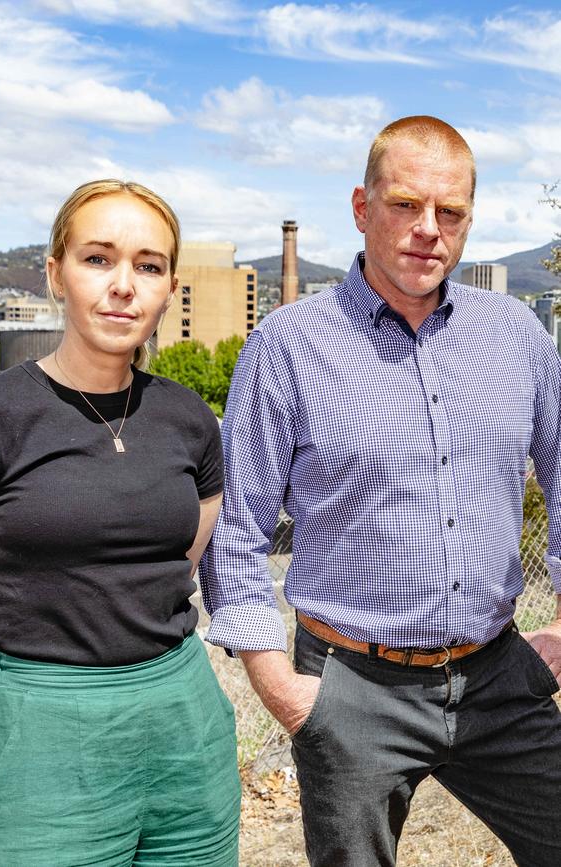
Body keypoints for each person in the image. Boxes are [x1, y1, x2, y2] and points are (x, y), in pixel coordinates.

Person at [200, 116, 561, 867]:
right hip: (348, 685)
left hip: (499, 674)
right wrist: (286, 690)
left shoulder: (518, 336)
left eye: (451, 212)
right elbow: (237, 534)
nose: (429, 229)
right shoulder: (287, 345)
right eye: (405, 204)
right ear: (362, 207)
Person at [0, 179, 240, 866]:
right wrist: (25, 694)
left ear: (169, 286)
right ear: (56, 273)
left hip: (184, 721)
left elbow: (175, 569)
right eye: (98, 258)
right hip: (40, 736)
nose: (124, 284)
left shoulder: (189, 420)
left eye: (148, 265)